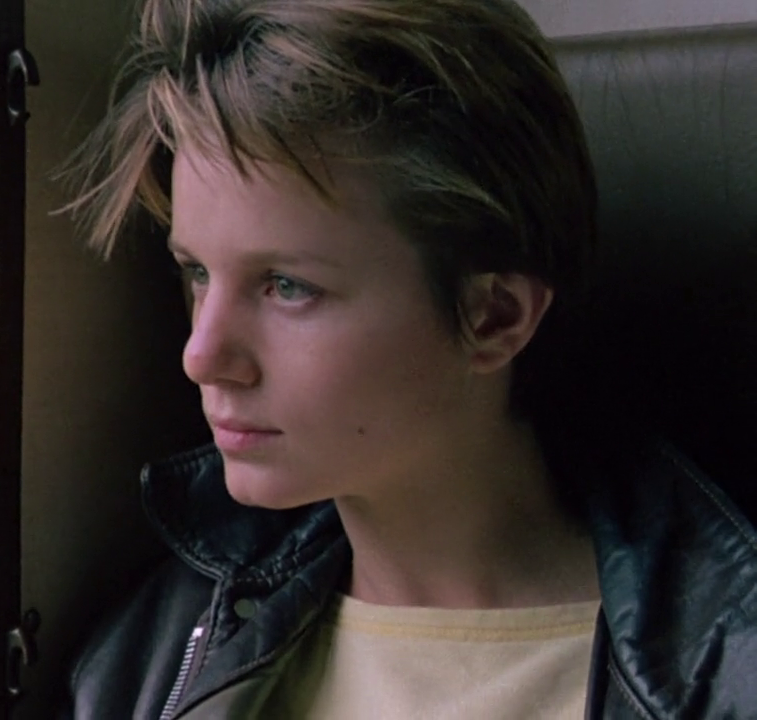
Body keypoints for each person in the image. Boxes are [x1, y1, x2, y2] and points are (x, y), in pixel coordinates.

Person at [56, 0, 757, 717]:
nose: (202, 356)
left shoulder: (723, 674)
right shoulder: (157, 652)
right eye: (197, 272)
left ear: (494, 317)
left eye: (288, 286)